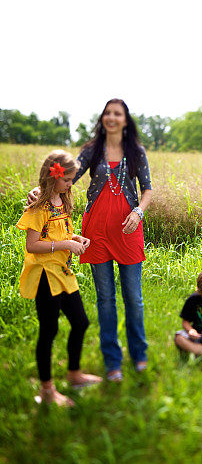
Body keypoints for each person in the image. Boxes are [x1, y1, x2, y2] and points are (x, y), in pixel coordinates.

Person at [29, 99, 154, 380]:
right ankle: (112, 361)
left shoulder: (136, 152)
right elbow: (65, 176)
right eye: (107, 113)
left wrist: (138, 211)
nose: (111, 117)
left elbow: (147, 189)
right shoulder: (90, 150)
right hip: (96, 231)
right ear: (103, 118)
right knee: (105, 299)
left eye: (117, 113)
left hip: (128, 230)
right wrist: (40, 191)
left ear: (125, 119)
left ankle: (139, 353)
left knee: (133, 298)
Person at [16, 150, 102, 406]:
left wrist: (74, 239)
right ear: (54, 176)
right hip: (44, 275)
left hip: (63, 272)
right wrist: (64, 243)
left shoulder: (62, 202)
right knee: (49, 330)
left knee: (81, 322)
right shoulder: (38, 206)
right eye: (68, 179)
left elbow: (60, 233)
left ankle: (74, 374)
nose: (71, 184)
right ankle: (47, 390)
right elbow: (33, 245)